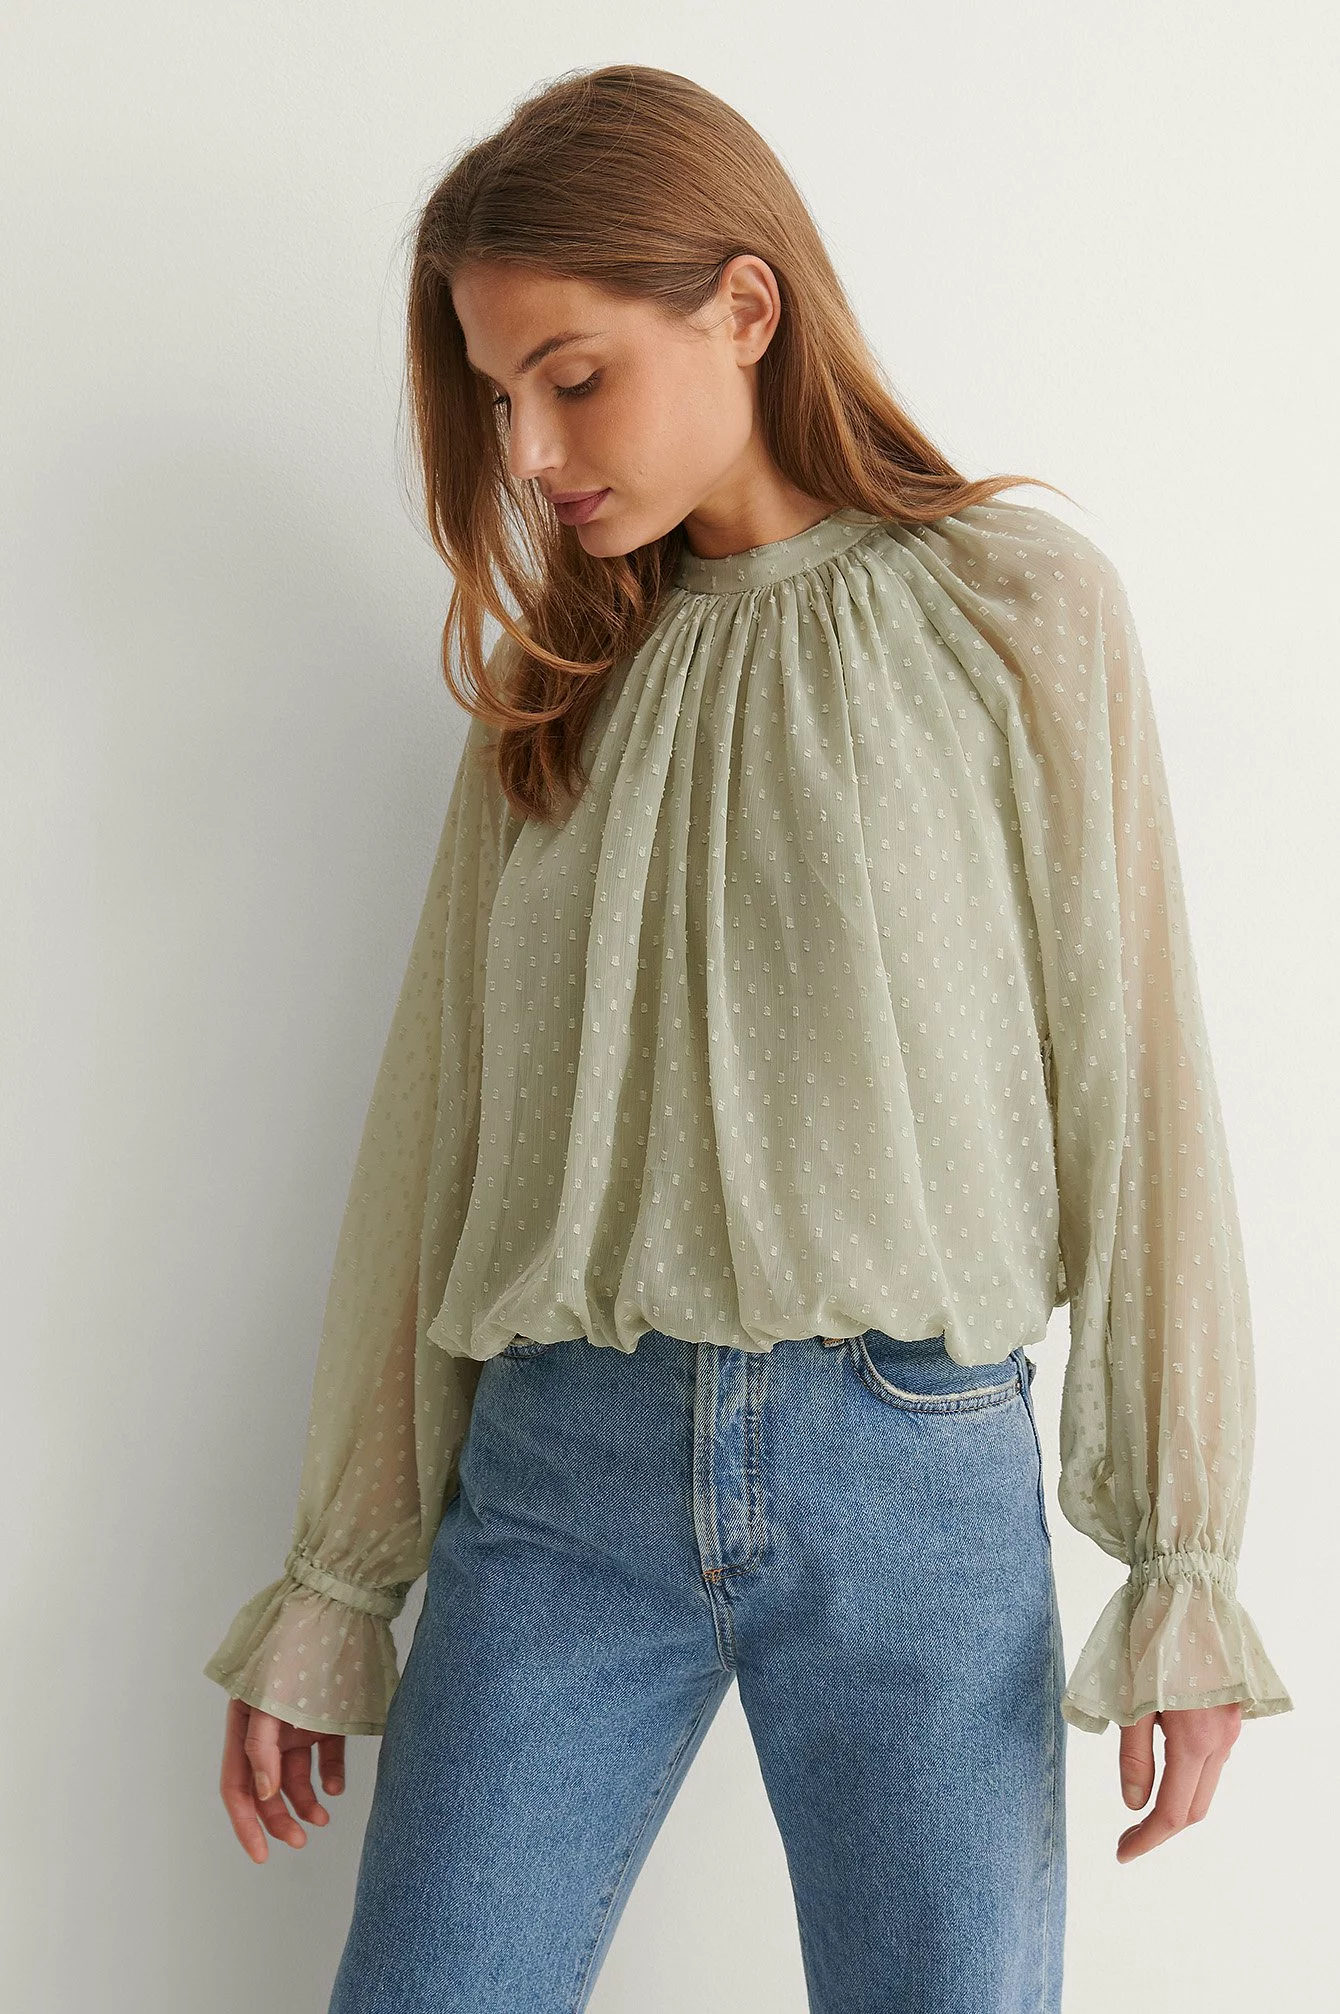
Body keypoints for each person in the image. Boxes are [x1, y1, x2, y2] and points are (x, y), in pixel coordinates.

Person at [204, 63, 1293, 2014]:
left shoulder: (1014, 613)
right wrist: (341, 1573)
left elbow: (1138, 1084)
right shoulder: (553, 686)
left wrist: (1178, 1558)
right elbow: (434, 1131)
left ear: (743, 305)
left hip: (911, 1466)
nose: (534, 449)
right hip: (558, 1470)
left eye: (572, 375)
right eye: (499, 397)